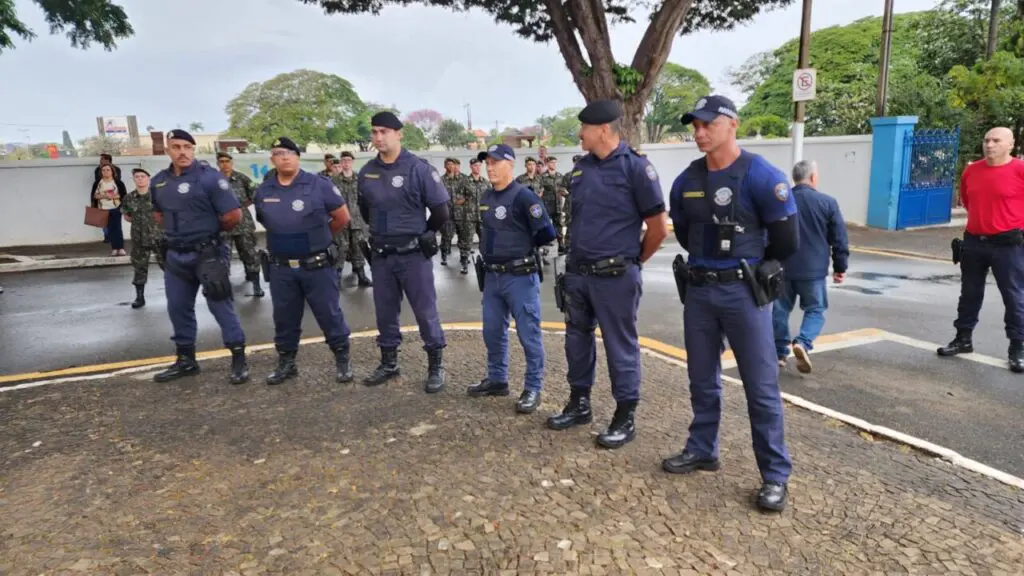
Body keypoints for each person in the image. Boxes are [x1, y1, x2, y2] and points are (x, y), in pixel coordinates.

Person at [662, 95, 800, 513]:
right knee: (701, 379)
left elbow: (787, 241)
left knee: (760, 388)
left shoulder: (761, 175)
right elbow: (685, 234)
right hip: (701, 291)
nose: (699, 133)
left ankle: (775, 475)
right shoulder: (686, 180)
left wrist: (752, 266)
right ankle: (703, 448)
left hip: (743, 292)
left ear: (732, 124)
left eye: (707, 124)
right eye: (695, 126)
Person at [546, 100, 669, 449]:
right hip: (579, 275)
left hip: (616, 276)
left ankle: (625, 414)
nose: (579, 133)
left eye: (584, 128)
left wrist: (634, 261)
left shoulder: (635, 168)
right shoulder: (581, 169)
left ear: (603, 130)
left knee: (620, 347)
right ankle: (579, 403)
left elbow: (658, 227)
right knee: (576, 342)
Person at [358, 111, 451, 393]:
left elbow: (441, 211)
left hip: (412, 256)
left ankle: (435, 365)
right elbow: (365, 210)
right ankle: (389, 363)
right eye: (374, 132)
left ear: (399, 134)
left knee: (425, 311)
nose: (378, 137)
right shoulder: (367, 171)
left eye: (384, 131)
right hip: (382, 255)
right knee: (385, 312)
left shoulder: (418, 169)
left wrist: (425, 235)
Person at [149, 129, 249, 385]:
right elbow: (158, 215)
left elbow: (233, 216)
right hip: (175, 255)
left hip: (208, 253)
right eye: (176, 147)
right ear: (167, 150)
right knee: (177, 307)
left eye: (187, 147)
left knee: (219, 304)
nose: (182, 152)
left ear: (193, 150)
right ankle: (186, 360)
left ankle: (239, 358)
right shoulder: (159, 181)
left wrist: (207, 235)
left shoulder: (209, 179)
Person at [255, 137, 357, 385]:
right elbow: (265, 220)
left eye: (289, 152)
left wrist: (318, 239)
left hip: (316, 265)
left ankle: (342, 359)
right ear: (272, 159)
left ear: (298, 156)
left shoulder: (318, 184)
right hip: (281, 268)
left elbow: (342, 218)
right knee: (284, 317)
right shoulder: (264, 190)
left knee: (329, 313)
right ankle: (287, 363)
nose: (285, 157)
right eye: (279, 153)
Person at [468, 144, 557, 413]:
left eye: (496, 162)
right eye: (487, 163)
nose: (490, 167)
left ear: (511, 165)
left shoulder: (524, 197)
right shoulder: (485, 197)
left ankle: (533, 387)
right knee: (492, 332)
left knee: (528, 334)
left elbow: (546, 233)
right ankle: (497, 379)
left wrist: (520, 251)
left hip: (519, 276)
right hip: (493, 278)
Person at [938, 126, 1024, 372]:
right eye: (986, 140)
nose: (989, 145)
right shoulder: (972, 171)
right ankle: (963, 338)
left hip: (1009, 244)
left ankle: (1017, 347)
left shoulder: (1020, 170)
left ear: (1011, 145)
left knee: (1014, 296)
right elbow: (967, 200)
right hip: (974, 241)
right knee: (970, 293)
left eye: (996, 140)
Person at [773, 160, 849, 373]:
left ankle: (779, 353)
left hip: (783, 267)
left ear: (794, 178)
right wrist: (840, 267)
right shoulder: (827, 203)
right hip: (813, 270)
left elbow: (767, 234)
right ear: (813, 177)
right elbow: (839, 239)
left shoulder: (781, 201)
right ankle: (803, 343)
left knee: (779, 311)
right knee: (815, 309)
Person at [216, 152, 264, 298]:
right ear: (218, 163)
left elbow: (255, 195)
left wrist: (240, 207)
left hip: (243, 222)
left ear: (232, 162)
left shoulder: (242, 178)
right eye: (221, 161)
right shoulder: (214, 180)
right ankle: (224, 287)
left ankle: (255, 283)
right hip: (222, 223)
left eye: (227, 161)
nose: (225, 164)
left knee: (249, 252)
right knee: (223, 256)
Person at [121, 168, 165, 309]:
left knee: (168, 266)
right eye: (137, 177)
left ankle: (178, 295)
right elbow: (127, 216)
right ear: (134, 179)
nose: (140, 179)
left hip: (158, 237)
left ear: (148, 178)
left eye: (143, 176)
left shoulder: (158, 196)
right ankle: (140, 297)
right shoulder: (129, 198)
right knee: (139, 267)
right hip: (139, 238)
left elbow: (166, 214)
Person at [330, 151, 372, 287]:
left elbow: (367, 199)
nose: (346, 163)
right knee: (341, 249)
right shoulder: (334, 181)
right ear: (340, 163)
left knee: (358, 248)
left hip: (357, 220)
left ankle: (362, 277)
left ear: (352, 162)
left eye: (348, 160)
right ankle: (336, 278)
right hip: (341, 221)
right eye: (343, 160)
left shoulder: (360, 179)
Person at [93, 164, 128, 256]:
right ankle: (114, 248)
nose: (105, 172)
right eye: (103, 170)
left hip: (116, 207)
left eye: (108, 170)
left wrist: (113, 196)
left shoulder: (118, 182)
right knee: (110, 230)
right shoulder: (98, 183)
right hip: (103, 209)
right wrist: (104, 196)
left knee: (117, 228)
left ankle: (120, 248)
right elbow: (95, 195)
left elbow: (124, 195)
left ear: (112, 171)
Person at [560, 154, 582, 254]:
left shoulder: (586, 174)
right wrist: (568, 194)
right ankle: (568, 247)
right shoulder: (568, 175)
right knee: (570, 224)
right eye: (575, 162)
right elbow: (562, 188)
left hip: (583, 203)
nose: (577, 164)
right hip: (570, 203)